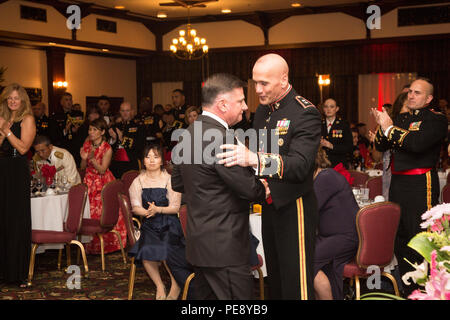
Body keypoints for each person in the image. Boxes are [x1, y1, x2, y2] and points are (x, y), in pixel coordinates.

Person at [216, 53, 322, 300]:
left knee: (296, 281)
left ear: (284, 80)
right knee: (276, 277)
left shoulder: (304, 112)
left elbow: (301, 166)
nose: (257, 89)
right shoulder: (264, 111)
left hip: (295, 205)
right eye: (254, 82)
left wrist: (254, 159)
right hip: (269, 204)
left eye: (264, 83)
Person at [171, 73, 267, 300]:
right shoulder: (222, 138)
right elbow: (250, 189)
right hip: (226, 248)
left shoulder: (188, 133)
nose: (245, 107)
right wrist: (263, 186)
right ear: (223, 104)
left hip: (199, 244)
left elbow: (178, 182)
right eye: (241, 101)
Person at [372, 77, 447, 295]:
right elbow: (380, 144)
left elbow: (416, 144)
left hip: (420, 182)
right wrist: (382, 125)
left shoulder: (436, 120)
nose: (411, 96)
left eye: (417, 93)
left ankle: (425, 289)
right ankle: (406, 288)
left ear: (429, 98)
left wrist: (389, 128)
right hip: (398, 182)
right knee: (400, 236)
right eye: (410, 92)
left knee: (419, 235)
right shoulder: (401, 118)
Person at [128, 144, 183, 300]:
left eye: (156, 156)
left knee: (167, 248)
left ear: (162, 161)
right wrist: (147, 212)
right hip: (150, 223)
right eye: (148, 157)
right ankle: (159, 285)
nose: (151, 160)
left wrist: (158, 209)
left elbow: (175, 207)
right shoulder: (137, 181)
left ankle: (175, 284)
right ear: (143, 161)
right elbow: (136, 207)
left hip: (169, 222)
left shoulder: (170, 180)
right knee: (147, 250)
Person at [0, 83, 36, 287]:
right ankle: (4, 270)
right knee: (3, 219)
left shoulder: (27, 118)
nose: (13, 101)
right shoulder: (5, 119)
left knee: (16, 220)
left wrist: (7, 130)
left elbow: (23, 148)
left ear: (23, 100)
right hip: (2, 168)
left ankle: (18, 272)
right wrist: (3, 129)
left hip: (16, 170)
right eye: (9, 98)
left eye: (16, 98)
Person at [312, 147, 359, 300]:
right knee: (302, 253)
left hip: (344, 238)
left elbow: (308, 212)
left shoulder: (325, 178)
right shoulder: (325, 176)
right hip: (332, 237)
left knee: (305, 259)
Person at [80, 118, 127, 254]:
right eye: (90, 129)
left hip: (102, 181)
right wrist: (84, 159)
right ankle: (90, 245)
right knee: (89, 211)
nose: (91, 132)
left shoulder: (107, 147)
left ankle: (108, 244)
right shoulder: (87, 144)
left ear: (102, 132)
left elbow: (102, 169)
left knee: (102, 212)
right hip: (88, 180)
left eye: (95, 130)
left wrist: (93, 159)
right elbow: (83, 167)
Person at [109, 102, 145, 179]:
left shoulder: (139, 127)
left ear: (132, 111)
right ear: (120, 112)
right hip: (116, 163)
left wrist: (122, 139)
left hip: (131, 162)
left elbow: (140, 146)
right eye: (123, 111)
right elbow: (109, 147)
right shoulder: (115, 126)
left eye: (127, 111)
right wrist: (114, 139)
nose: (125, 113)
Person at [320, 98, 353, 168]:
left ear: (337, 109)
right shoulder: (318, 125)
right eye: (326, 107)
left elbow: (349, 147)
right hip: (322, 164)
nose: (328, 109)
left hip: (338, 165)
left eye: (332, 107)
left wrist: (331, 146)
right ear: (323, 109)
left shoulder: (343, 125)